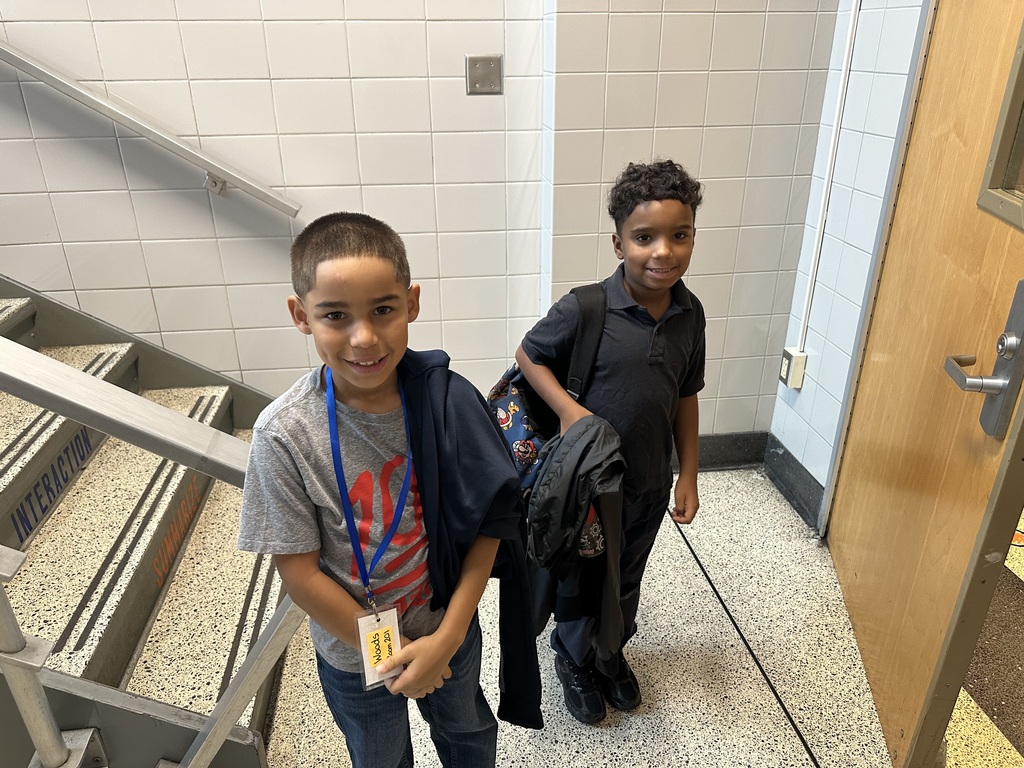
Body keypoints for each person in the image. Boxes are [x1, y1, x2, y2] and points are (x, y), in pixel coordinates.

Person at [238, 211, 540, 768]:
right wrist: (393, 656)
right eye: (335, 316)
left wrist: (447, 639)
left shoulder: (447, 403)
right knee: (379, 756)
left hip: (446, 629)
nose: (364, 338)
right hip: (355, 654)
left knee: (468, 733)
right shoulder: (283, 434)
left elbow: (492, 526)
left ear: (412, 303)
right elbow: (299, 573)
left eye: (383, 309)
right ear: (300, 315)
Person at [514, 159, 705, 724]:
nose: (663, 252)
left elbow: (686, 396)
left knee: (627, 574)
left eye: (680, 235)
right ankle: (572, 657)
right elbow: (529, 354)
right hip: (587, 489)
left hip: (647, 481)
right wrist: (573, 414)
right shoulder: (587, 307)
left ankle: (609, 653)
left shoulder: (690, 315)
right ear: (618, 243)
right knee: (581, 578)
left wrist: (687, 472)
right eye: (644, 238)